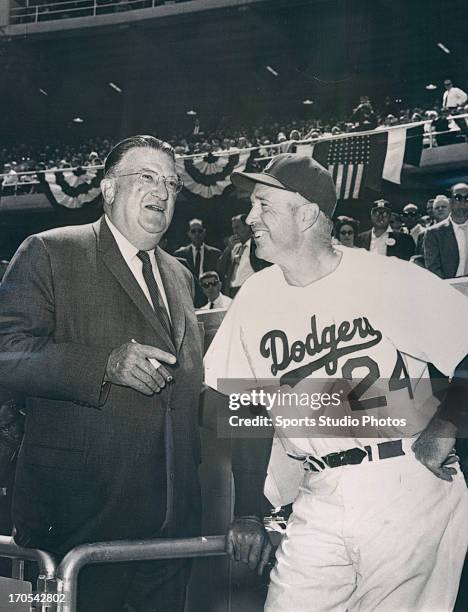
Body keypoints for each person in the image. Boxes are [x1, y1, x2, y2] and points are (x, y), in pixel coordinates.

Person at [204, 153, 468, 612]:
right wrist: (248, 510)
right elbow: (240, 405)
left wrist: (442, 433)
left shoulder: (387, 277)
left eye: (264, 205)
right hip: (318, 488)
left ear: (307, 214)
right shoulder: (255, 297)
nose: (250, 218)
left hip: (401, 477)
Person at [0, 135, 204, 612]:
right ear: (108, 189)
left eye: (172, 183)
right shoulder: (50, 252)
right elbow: (5, 352)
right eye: (147, 178)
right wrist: (103, 364)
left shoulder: (180, 275)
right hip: (80, 524)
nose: (163, 191)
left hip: (172, 527)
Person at [217, 213, 271, 298]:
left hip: (251, 291)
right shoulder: (234, 248)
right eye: (233, 228)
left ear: (247, 227)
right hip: (232, 292)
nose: (235, 232)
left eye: (237, 227)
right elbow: (220, 268)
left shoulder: (257, 245)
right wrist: (228, 249)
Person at [174, 218, 221, 307]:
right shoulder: (180, 254)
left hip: (210, 294)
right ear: (188, 234)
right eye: (193, 231)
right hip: (190, 297)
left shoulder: (215, 253)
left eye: (199, 231)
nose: (197, 234)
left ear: (204, 232)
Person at [424, 182, 468, 279]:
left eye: (467, 198)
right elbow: (433, 268)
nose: (463, 203)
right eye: (458, 198)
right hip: (447, 288)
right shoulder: (434, 233)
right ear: (450, 202)